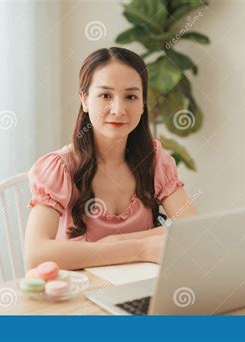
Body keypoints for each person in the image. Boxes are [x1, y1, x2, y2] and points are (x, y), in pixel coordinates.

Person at [24, 47, 197, 270]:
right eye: (105, 95)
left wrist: (116, 241)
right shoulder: (61, 168)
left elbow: (192, 227)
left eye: (131, 96)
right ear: (84, 100)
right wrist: (141, 248)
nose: (118, 109)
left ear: (143, 103)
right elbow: (36, 255)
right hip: (81, 295)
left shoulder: (154, 160)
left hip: (140, 287)